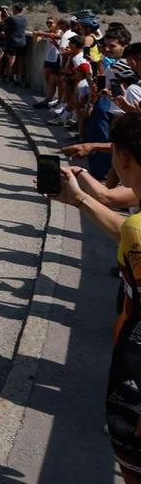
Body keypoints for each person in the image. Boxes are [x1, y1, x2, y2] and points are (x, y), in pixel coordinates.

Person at [53, 112, 141, 482]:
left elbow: (129, 232)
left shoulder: (135, 232)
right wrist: (82, 195)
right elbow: (125, 227)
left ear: (122, 160)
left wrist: (80, 201)